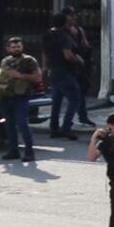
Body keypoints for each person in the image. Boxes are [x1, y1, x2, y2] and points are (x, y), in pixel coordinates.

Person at [0, 37, 41, 162]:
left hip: (21, 97)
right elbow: (5, 74)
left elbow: (37, 78)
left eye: (18, 46)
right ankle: (13, 150)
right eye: (13, 47)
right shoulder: (5, 61)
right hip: (6, 97)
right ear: (8, 49)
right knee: (9, 125)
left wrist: (21, 76)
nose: (16, 49)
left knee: (22, 124)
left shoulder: (29, 61)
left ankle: (29, 152)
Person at [42, 12, 83, 140]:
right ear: (64, 23)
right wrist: (79, 61)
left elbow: (44, 53)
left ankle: (54, 128)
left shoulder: (48, 34)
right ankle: (66, 127)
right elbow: (68, 55)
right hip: (65, 70)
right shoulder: (63, 36)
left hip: (54, 70)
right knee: (75, 98)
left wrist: (45, 68)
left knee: (57, 100)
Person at [62, 5, 96, 127]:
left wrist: (87, 60)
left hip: (79, 65)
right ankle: (67, 121)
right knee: (71, 95)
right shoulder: (62, 32)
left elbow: (85, 45)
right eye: (71, 15)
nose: (73, 18)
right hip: (67, 66)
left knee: (80, 93)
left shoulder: (78, 30)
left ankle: (82, 116)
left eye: (74, 15)